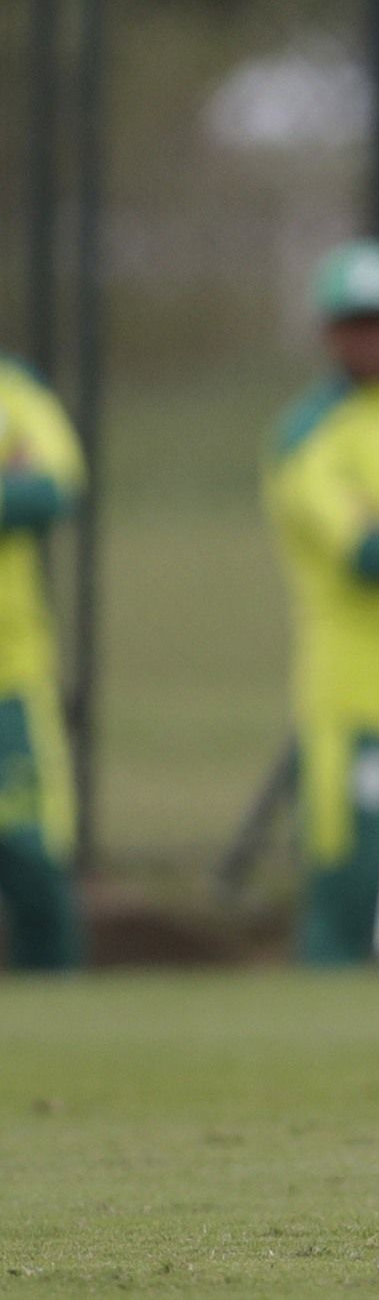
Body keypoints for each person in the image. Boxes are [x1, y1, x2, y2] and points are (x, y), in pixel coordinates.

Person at [264, 240, 379, 965]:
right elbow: (371, 555)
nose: (372, 336)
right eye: (356, 321)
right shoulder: (308, 436)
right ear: (330, 332)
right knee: (352, 883)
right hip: (351, 698)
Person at [0, 356, 87, 971]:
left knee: (33, 859)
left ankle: (58, 1018)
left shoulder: (17, 393)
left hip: (11, 678)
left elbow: (53, 488)